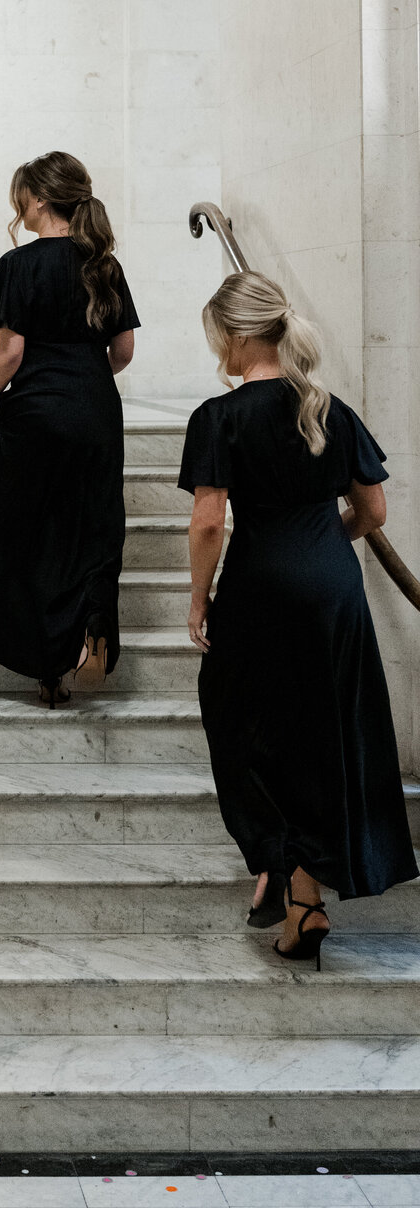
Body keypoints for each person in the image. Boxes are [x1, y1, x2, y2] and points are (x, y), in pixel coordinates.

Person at [180, 271, 418, 967]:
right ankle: (302, 887)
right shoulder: (330, 409)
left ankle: (292, 879)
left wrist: (198, 598)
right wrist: (321, 546)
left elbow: (206, 524)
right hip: (334, 590)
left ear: (232, 334)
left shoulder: (219, 418)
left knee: (241, 725)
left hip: (259, 588)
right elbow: (373, 513)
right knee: (325, 729)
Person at [0, 151, 139, 707]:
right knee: (92, 524)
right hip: (95, 409)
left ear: (39, 200)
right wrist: (86, 378)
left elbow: (11, 350)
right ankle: (91, 627)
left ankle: (46, 668)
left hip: (36, 414)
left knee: (30, 532)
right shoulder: (104, 265)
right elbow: (123, 350)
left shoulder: (17, 265)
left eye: (22, 194)